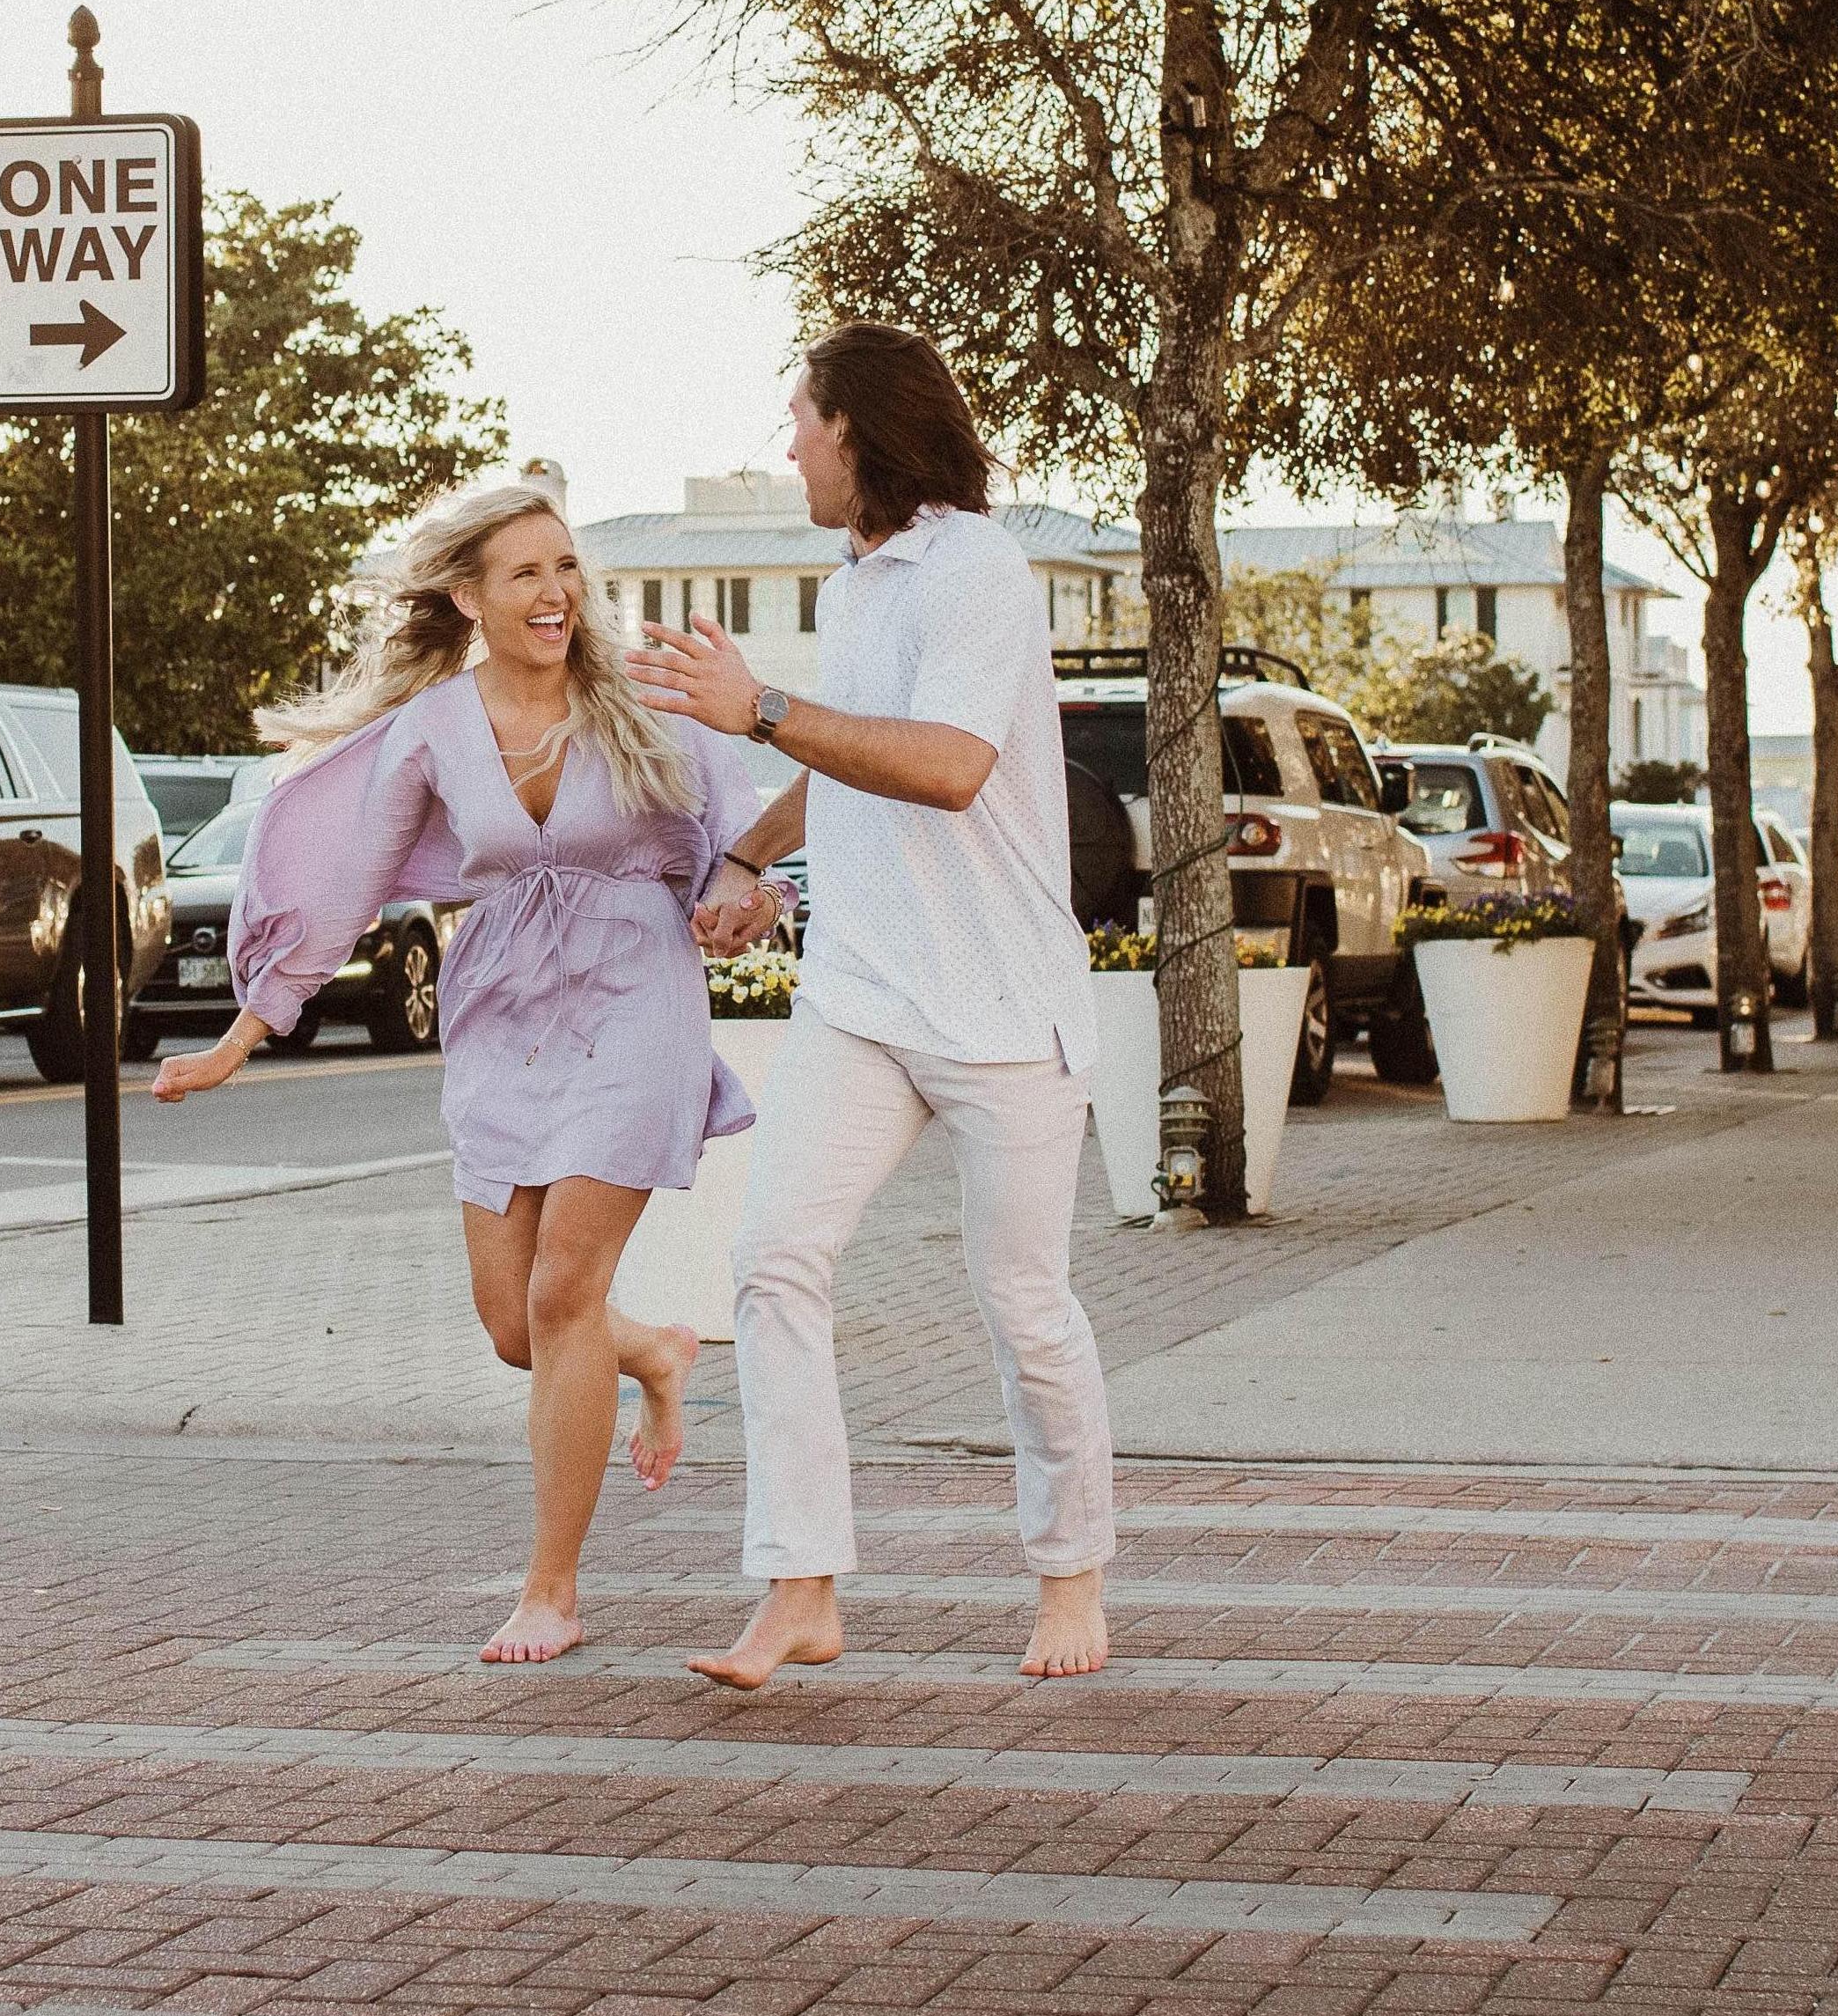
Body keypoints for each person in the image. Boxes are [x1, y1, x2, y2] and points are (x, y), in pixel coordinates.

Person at [151, 477, 768, 1665]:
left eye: (566, 567)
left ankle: (553, 1590)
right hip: (502, 1012)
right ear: (470, 596)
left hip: (637, 993)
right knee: (512, 1323)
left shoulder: (643, 696)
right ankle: (651, 1350)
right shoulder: (434, 727)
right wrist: (245, 1033)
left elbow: (733, 837)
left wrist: (744, 903)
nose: (555, 592)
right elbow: (345, 891)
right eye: (525, 572)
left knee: (563, 1291)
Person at [627, 325, 1115, 1690]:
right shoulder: (851, 586)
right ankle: (801, 1588)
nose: (786, 446)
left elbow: (948, 765)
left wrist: (758, 709)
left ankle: (1070, 1575)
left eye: (799, 419)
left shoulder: (977, 570)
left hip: (1001, 1003)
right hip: (859, 995)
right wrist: (749, 859)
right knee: (773, 1260)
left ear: (856, 428)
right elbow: (845, 753)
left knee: (1023, 1304)